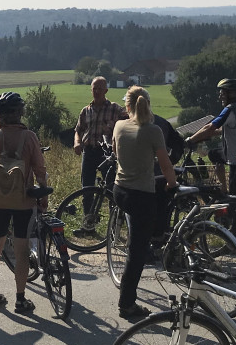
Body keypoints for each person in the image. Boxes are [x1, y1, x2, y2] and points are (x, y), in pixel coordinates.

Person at [113, 86, 180, 321]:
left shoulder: (119, 126)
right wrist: (173, 183)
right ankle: (127, 304)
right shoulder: (153, 130)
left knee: (137, 233)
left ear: (127, 106)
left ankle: (154, 233)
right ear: (148, 105)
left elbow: (116, 153)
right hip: (141, 194)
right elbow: (165, 166)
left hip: (120, 190)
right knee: (137, 253)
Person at [0, 91, 47, 313]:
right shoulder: (29, 137)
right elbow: (40, 170)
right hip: (24, 201)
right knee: (21, 249)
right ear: (20, 113)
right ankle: (20, 299)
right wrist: (43, 197)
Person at [185, 78, 236, 197]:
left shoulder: (231, 109)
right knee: (214, 154)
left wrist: (191, 140)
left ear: (233, 93)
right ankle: (223, 189)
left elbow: (210, 127)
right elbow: (226, 129)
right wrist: (205, 136)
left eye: (223, 94)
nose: (220, 98)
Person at [72, 76, 127, 233]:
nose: (96, 91)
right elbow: (78, 130)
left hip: (107, 153)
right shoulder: (86, 110)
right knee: (87, 189)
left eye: (99, 89)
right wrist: (77, 142)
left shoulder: (115, 109)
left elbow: (128, 123)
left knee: (110, 190)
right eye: (94, 88)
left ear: (106, 91)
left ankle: (113, 228)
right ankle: (88, 226)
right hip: (88, 152)